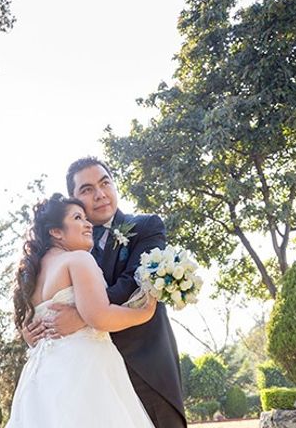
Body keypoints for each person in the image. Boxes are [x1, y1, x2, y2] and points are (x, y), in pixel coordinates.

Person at [24, 157, 187, 428]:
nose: (99, 194)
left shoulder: (146, 227)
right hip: (84, 375)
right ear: (73, 199)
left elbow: (133, 284)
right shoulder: (68, 252)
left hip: (145, 366)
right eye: (87, 189)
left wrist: (85, 315)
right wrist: (32, 328)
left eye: (104, 183)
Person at [6, 193, 157, 428]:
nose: (88, 224)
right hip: (85, 368)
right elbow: (99, 316)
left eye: (86, 218)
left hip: (41, 379)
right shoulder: (78, 260)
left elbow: (30, 332)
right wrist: (144, 313)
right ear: (56, 231)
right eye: (78, 218)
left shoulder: (32, 276)